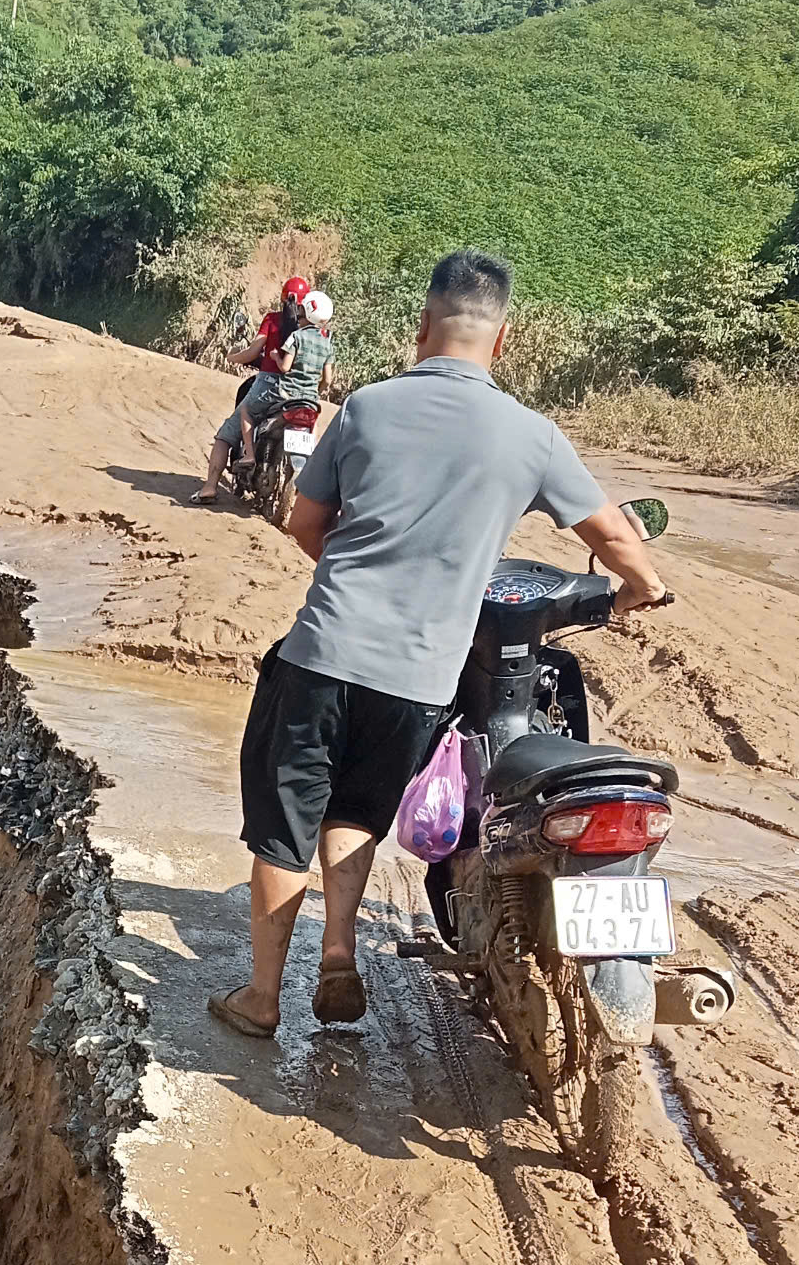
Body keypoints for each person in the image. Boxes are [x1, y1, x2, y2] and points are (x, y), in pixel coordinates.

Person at [207, 248, 670, 1038]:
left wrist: (359, 572)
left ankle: (259, 999)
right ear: (505, 339)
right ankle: (340, 949)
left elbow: (304, 523)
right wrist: (639, 591)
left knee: (287, 825)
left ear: (423, 326)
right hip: (419, 681)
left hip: (324, 652)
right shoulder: (535, 437)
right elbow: (620, 540)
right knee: (356, 807)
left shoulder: (367, 409)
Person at [194, 287, 335, 504]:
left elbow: (255, 353)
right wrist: (318, 388)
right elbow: (327, 379)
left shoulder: (276, 321)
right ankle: (311, 460)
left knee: (229, 431)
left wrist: (233, 357)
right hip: (308, 396)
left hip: (272, 385)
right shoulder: (323, 338)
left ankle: (210, 486)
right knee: (312, 422)